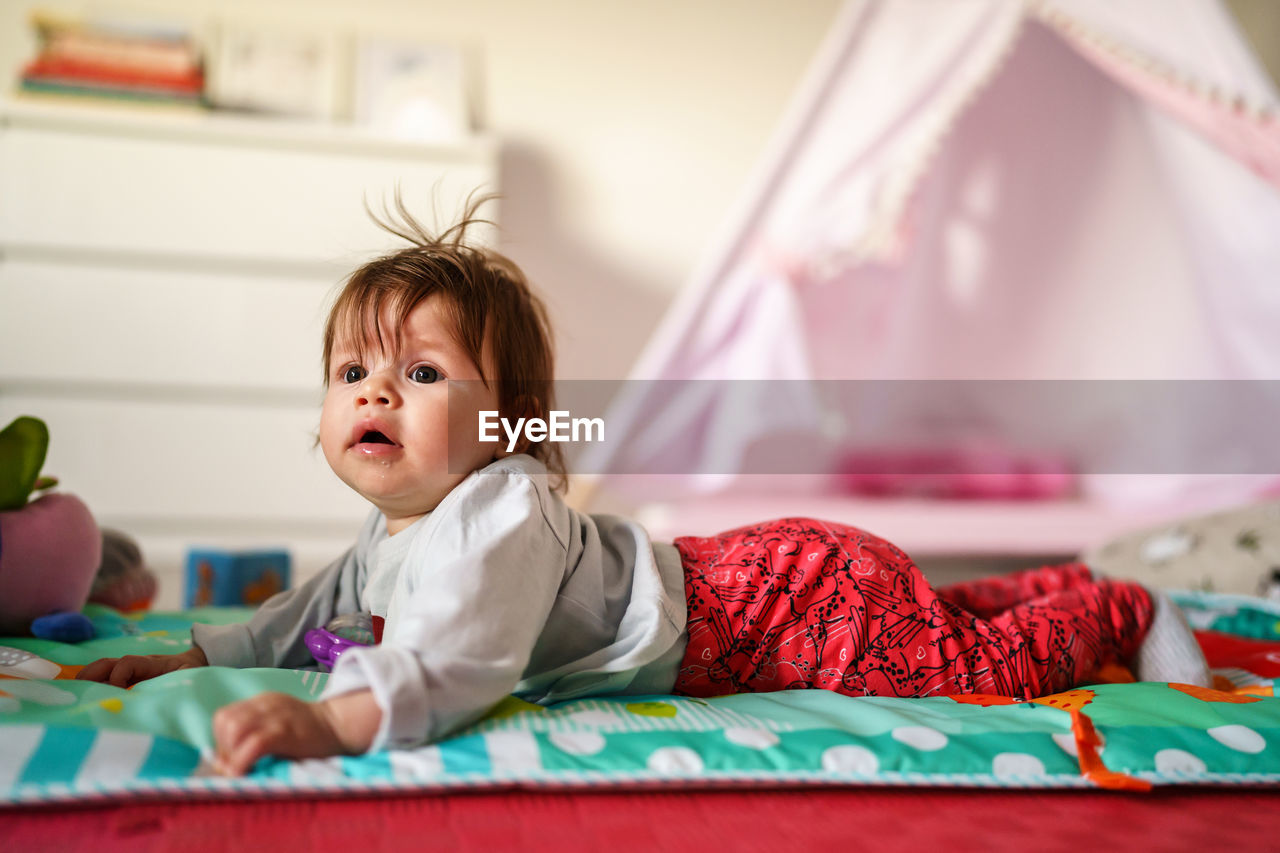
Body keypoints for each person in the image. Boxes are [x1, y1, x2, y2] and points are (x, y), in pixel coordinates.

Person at [77, 197, 1212, 775]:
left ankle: (1117, 603)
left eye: (420, 372)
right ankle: (1047, 579)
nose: (374, 392)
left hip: (781, 600)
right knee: (928, 622)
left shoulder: (503, 503)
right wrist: (190, 657)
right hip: (762, 581)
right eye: (350, 373)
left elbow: (459, 657)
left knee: (962, 674)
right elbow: (306, 613)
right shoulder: (394, 530)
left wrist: (332, 723)